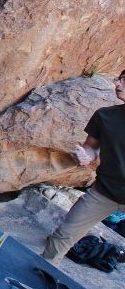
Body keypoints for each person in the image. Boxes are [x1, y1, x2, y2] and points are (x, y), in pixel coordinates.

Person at [42, 69, 125, 265]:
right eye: (119, 79)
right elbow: (92, 148)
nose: (118, 85)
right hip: (105, 192)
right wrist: (86, 155)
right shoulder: (104, 116)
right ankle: (40, 276)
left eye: (124, 80)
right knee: (62, 236)